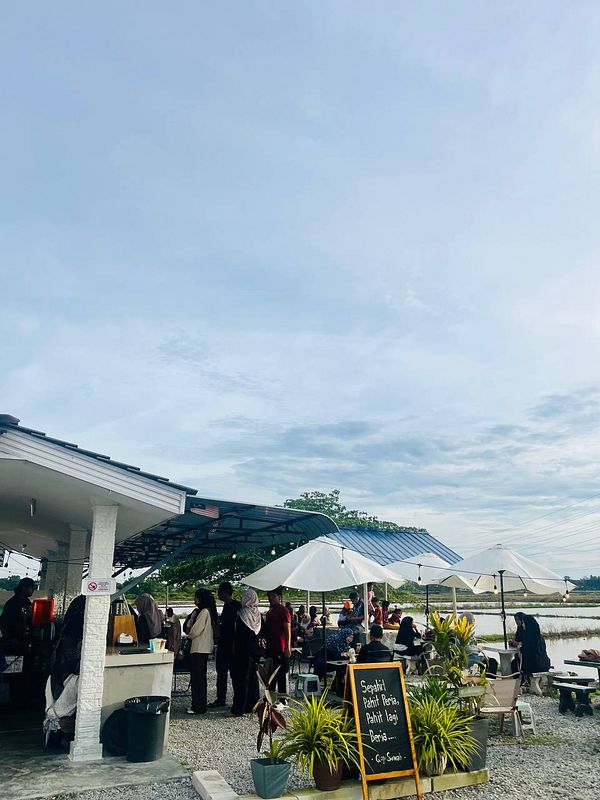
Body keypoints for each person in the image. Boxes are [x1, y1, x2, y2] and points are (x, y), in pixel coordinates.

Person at [44, 595, 86, 748]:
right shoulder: (81, 618)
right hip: (68, 665)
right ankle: (64, 731)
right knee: (69, 696)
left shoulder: (71, 618)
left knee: (57, 694)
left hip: (60, 668)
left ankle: (55, 729)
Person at [184, 588, 217, 715]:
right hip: (204, 648)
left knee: (198, 679)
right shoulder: (208, 611)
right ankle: (199, 705)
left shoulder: (203, 612)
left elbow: (195, 630)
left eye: (196, 597)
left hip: (199, 648)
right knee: (200, 678)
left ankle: (198, 706)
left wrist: (189, 633)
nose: (194, 600)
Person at [209, 582, 241, 708]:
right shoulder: (227, 606)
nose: (218, 594)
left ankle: (235, 698)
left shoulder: (235, 606)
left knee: (233, 673)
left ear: (225, 592)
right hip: (223, 643)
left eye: (220, 592)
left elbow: (236, 627)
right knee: (221, 672)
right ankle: (221, 698)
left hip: (231, 643)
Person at [231, 589, 263, 716]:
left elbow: (237, 633)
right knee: (253, 678)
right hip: (255, 651)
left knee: (241, 679)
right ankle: (254, 705)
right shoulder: (258, 615)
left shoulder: (241, 614)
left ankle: (239, 708)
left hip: (242, 651)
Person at [265, 587, 292, 705]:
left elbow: (287, 628)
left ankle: (282, 698)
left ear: (279, 597)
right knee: (271, 672)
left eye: (273, 596)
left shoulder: (283, 610)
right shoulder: (270, 611)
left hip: (280, 646)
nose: (271, 598)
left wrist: (287, 646)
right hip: (271, 646)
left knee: (281, 673)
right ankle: (270, 695)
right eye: (269, 596)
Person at [511, 612, 551, 683]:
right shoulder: (539, 636)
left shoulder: (529, 637)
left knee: (514, 664)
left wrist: (520, 648)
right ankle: (525, 683)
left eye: (523, 623)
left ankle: (518, 684)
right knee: (518, 662)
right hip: (545, 663)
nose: (522, 625)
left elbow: (527, 652)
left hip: (536, 665)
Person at [0, 577, 36, 654]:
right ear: (24, 588)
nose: (33, 590)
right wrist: (9, 638)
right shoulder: (13, 603)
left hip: (23, 640)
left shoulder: (27, 602)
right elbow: (3, 622)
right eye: (31, 587)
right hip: (13, 642)